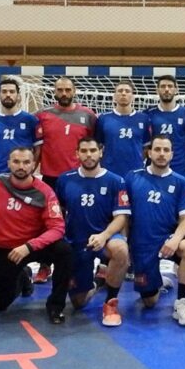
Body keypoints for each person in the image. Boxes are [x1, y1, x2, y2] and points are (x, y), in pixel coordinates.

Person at [0, 147, 73, 324]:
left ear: (34, 165)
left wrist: (29, 246)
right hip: (5, 248)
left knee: (65, 251)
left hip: (34, 245)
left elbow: (57, 228)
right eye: (16, 162)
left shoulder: (45, 191)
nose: (21, 166)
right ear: (8, 163)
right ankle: (24, 277)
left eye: (26, 162)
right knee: (0, 305)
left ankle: (56, 306)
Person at [56, 137, 130, 326]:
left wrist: (104, 236)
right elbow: (58, 213)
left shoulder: (116, 181)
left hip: (106, 237)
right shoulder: (65, 180)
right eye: (84, 151)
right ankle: (99, 280)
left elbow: (121, 217)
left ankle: (110, 303)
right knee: (78, 303)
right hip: (76, 241)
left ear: (100, 152)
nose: (88, 155)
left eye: (92, 150)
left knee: (121, 250)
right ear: (77, 154)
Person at [126, 135, 185, 326]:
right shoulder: (133, 178)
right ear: (149, 153)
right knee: (149, 302)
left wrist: (175, 240)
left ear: (172, 154)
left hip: (169, 239)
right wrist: (126, 243)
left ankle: (181, 303)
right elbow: (123, 216)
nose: (161, 154)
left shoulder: (181, 182)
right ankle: (157, 281)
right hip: (142, 243)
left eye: (166, 150)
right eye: (157, 149)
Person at [34, 77, 97, 284]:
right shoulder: (42, 115)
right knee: (49, 223)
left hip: (79, 178)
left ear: (74, 91)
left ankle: (79, 265)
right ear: (54, 92)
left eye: (67, 89)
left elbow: (93, 146)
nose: (64, 93)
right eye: (60, 89)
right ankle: (45, 265)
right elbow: (37, 149)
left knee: (77, 221)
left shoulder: (89, 116)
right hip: (51, 178)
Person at [0, 77, 42, 178]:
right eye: (4, 91)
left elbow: (38, 150)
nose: (8, 95)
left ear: (18, 95)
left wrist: (31, 170)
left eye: (12, 91)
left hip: (21, 175)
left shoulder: (30, 120)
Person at [95, 79, 151, 178]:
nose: (123, 93)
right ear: (114, 96)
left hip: (135, 172)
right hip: (110, 172)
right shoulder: (103, 118)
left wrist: (136, 160)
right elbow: (98, 146)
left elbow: (146, 147)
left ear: (133, 96)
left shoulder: (143, 119)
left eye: (127, 91)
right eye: (120, 91)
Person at [145, 75, 185, 177]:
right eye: (163, 86)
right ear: (157, 90)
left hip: (180, 168)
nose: (167, 89)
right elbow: (145, 143)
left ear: (176, 89)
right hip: (154, 167)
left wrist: (181, 157)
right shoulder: (147, 114)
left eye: (170, 86)